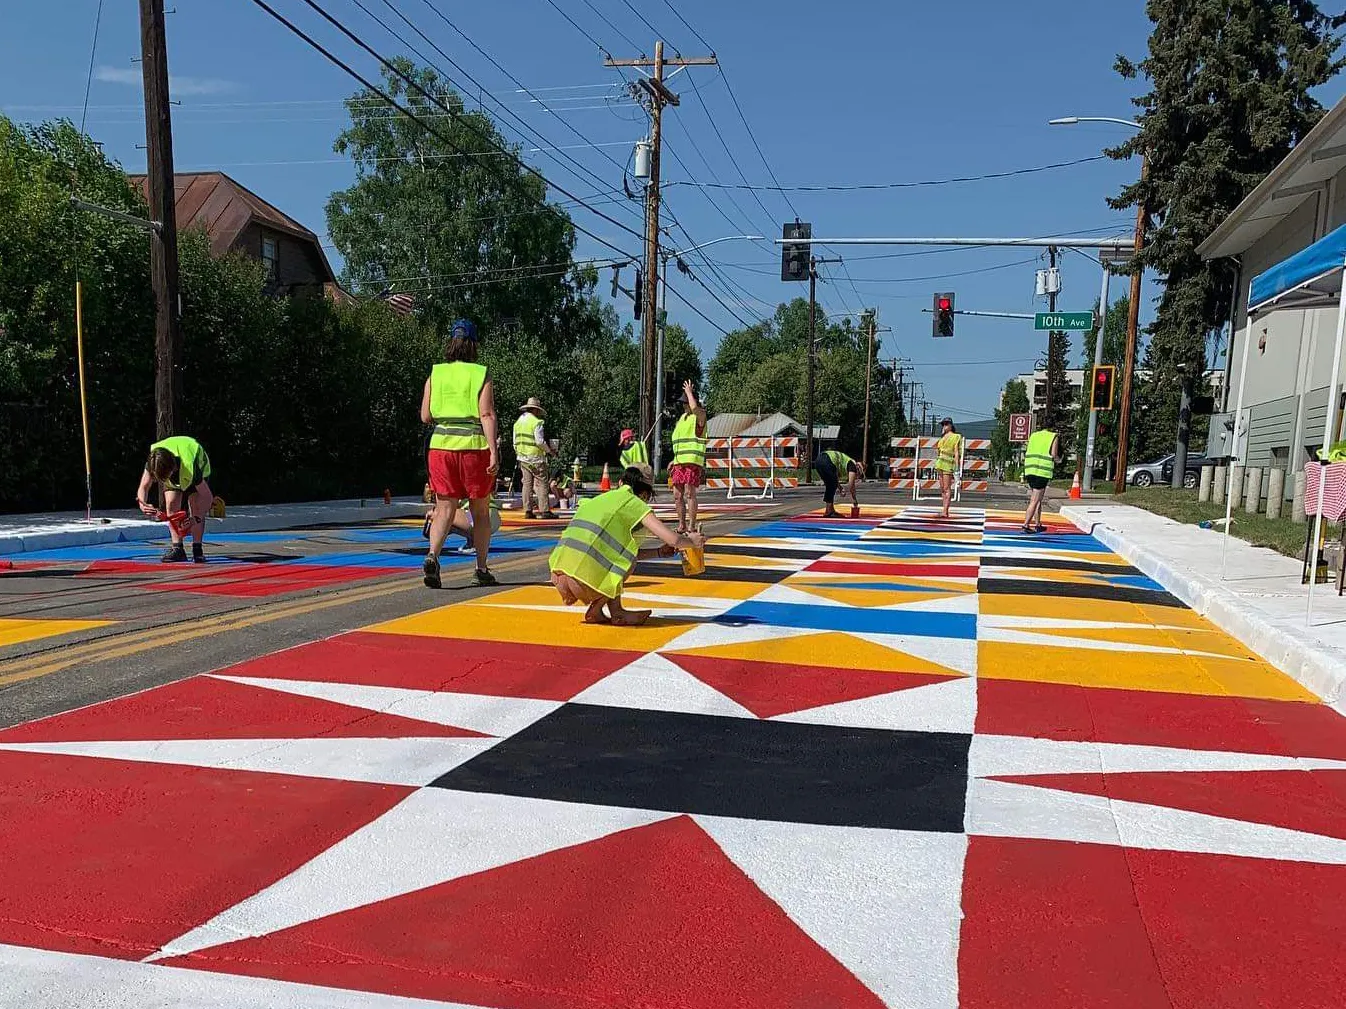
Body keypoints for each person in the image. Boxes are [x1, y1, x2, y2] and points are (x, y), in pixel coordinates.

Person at [549, 463, 705, 626]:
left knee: (622, 558)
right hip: (583, 581)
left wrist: (658, 553)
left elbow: (617, 551)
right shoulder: (634, 504)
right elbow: (674, 540)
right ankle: (613, 612)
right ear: (645, 493)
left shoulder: (600, 499)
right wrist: (693, 541)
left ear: (621, 483)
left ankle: (603, 611)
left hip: (559, 576)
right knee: (628, 563)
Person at [420, 318, 499, 589]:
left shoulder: (435, 373)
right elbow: (486, 414)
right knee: (480, 510)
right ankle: (481, 568)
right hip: (473, 448)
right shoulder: (481, 374)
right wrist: (493, 451)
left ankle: (433, 555)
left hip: (440, 447)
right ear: (474, 344)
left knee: (445, 507)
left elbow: (425, 415)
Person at [136, 435, 214, 563]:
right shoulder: (154, 461)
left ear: (173, 468)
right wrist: (142, 503)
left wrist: (195, 519)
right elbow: (143, 486)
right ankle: (177, 548)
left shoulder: (190, 467)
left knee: (196, 505)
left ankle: (197, 549)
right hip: (172, 465)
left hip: (197, 464)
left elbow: (207, 497)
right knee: (171, 504)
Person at [668, 380, 707, 534]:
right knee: (677, 495)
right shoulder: (682, 420)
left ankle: (691, 525)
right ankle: (681, 524)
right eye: (683, 403)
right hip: (679, 462)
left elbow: (695, 409)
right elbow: (679, 443)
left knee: (690, 493)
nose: (684, 405)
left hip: (692, 461)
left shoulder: (700, 415)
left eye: (686, 402)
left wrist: (690, 393)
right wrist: (674, 459)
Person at [514, 397, 555, 520]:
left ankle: (528, 510)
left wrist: (519, 454)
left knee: (526, 484)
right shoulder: (537, 423)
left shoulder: (518, 423)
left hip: (523, 457)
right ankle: (545, 510)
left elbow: (514, 442)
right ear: (536, 410)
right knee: (542, 483)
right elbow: (539, 441)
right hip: (536, 458)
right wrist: (549, 451)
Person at [1021, 426, 1060, 534]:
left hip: (1030, 470)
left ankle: (1038, 524)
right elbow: (1053, 454)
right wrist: (1058, 460)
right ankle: (1026, 525)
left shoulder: (1033, 435)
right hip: (1041, 471)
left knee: (1038, 499)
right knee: (1034, 500)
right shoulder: (1053, 436)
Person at [814, 448, 861, 518]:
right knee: (831, 485)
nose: (856, 476)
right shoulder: (852, 465)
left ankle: (830, 510)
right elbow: (851, 485)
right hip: (826, 460)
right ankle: (829, 511)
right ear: (858, 469)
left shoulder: (845, 462)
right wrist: (854, 499)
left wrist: (840, 487)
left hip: (819, 461)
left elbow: (834, 479)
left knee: (830, 485)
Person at [934, 417, 965, 519]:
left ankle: (945, 511)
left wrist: (957, 469)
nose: (944, 426)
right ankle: (944, 509)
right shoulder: (942, 438)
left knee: (947, 488)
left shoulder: (956, 437)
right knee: (942, 488)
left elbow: (956, 453)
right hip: (940, 464)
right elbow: (938, 452)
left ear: (951, 425)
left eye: (946, 424)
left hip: (948, 465)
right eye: (943, 424)